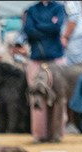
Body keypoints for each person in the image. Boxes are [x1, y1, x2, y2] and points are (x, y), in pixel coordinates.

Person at [22, 0, 65, 142]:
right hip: (36, 59)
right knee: (37, 96)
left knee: (58, 97)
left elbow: (57, 28)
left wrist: (39, 26)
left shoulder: (59, 8)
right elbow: (29, 30)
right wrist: (48, 28)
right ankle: (39, 134)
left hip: (55, 58)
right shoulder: (32, 10)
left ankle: (56, 134)